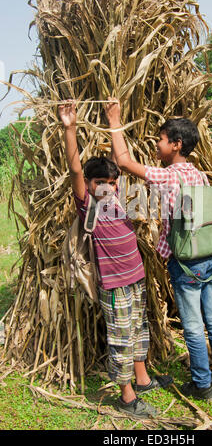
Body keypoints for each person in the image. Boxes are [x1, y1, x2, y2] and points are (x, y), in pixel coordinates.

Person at [104, 98, 212, 402]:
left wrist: (114, 120)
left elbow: (123, 162)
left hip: (185, 262)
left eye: (161, 140)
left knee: (192, 325)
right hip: (208, 260)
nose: (157, 146)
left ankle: (202, 386)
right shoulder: (198, 174)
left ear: (176, 144)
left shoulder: (169, 174)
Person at [59, 100, 172, 418]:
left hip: (135, 278)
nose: (108, 187)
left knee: (138, 330)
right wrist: (70, 128)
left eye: (112, 182)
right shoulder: (88, 206)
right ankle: (126, 398)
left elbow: (118, 164)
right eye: (101, 184)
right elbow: (75, 169)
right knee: (121, 338)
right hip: (115, 285)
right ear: (89, 187)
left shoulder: (119, 199)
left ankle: (143, 379)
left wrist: (114, 121)